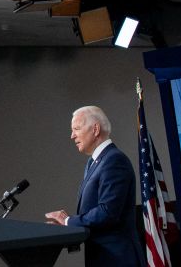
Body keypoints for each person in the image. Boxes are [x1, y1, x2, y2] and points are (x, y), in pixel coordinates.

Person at [46, 105, 143, 267]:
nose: (72, 136)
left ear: (95, 129)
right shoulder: (94, 162)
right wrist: (69, 225)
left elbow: (108, 212)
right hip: (103, 257)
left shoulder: (114, 160)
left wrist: (69, 221)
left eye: (76, 129)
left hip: (117, 259)